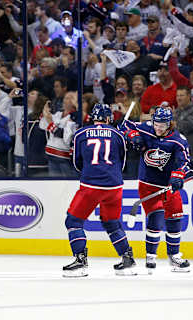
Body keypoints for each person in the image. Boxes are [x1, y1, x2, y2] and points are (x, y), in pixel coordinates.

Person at [63, 104, 136, 277]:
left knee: (73, 221)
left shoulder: (81, 133)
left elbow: (76, 162)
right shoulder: (118, 135)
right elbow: (122, 163)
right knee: (111, 223)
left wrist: (91, 171)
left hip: (91, 185)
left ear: (92, 118)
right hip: (114, 186)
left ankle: (80, 261)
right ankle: (127, 258)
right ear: (109, 119)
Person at [120, 107, 192, 273]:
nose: (158, 128)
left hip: (168, 186)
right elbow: (123, 126)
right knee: (156, 217)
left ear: (170, 123)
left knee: (175, 218)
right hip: (148, 184)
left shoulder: (178, 140)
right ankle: (150, 256)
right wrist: (133, 136)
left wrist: (178, 175)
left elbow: (184, 162)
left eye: (163, 125)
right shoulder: (146, 128)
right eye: (156, 124)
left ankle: (174, 256)